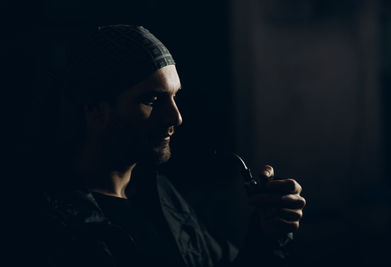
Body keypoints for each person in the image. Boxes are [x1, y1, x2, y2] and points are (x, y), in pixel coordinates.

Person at [37, 25, 306, 267]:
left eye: (175, 96)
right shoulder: (50, 224)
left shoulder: (157, 191)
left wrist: (266, 235)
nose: (176, 117)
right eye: (153, 100)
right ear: (96, 109)